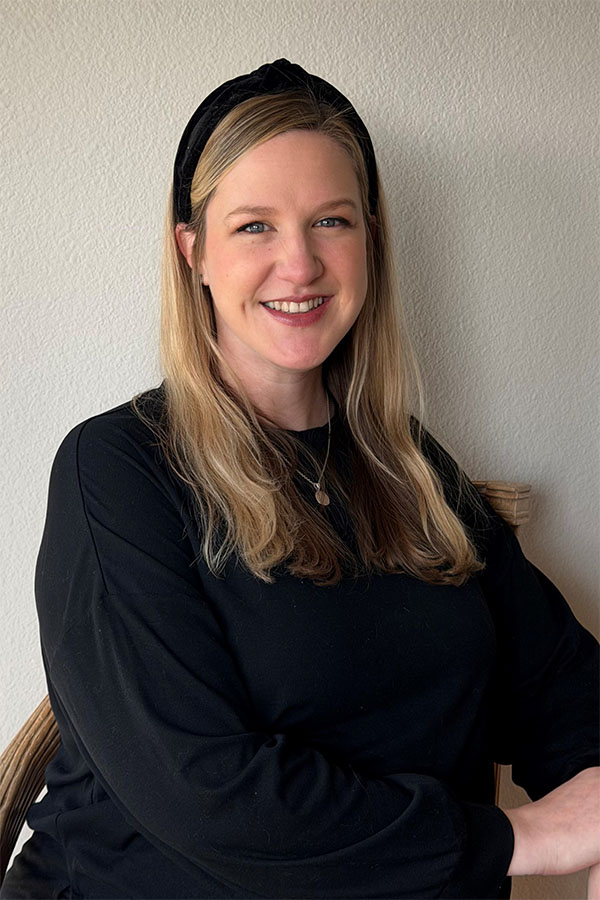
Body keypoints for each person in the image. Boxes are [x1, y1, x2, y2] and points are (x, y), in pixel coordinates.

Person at [2, 59, 598, 900]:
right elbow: (209, 798)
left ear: (371, 241)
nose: (301, 264)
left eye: (332, 221)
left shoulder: (412, 470)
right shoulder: (118, 471)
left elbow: (564, 693)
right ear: (193, 252)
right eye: (254, 226)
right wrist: (519, 838)